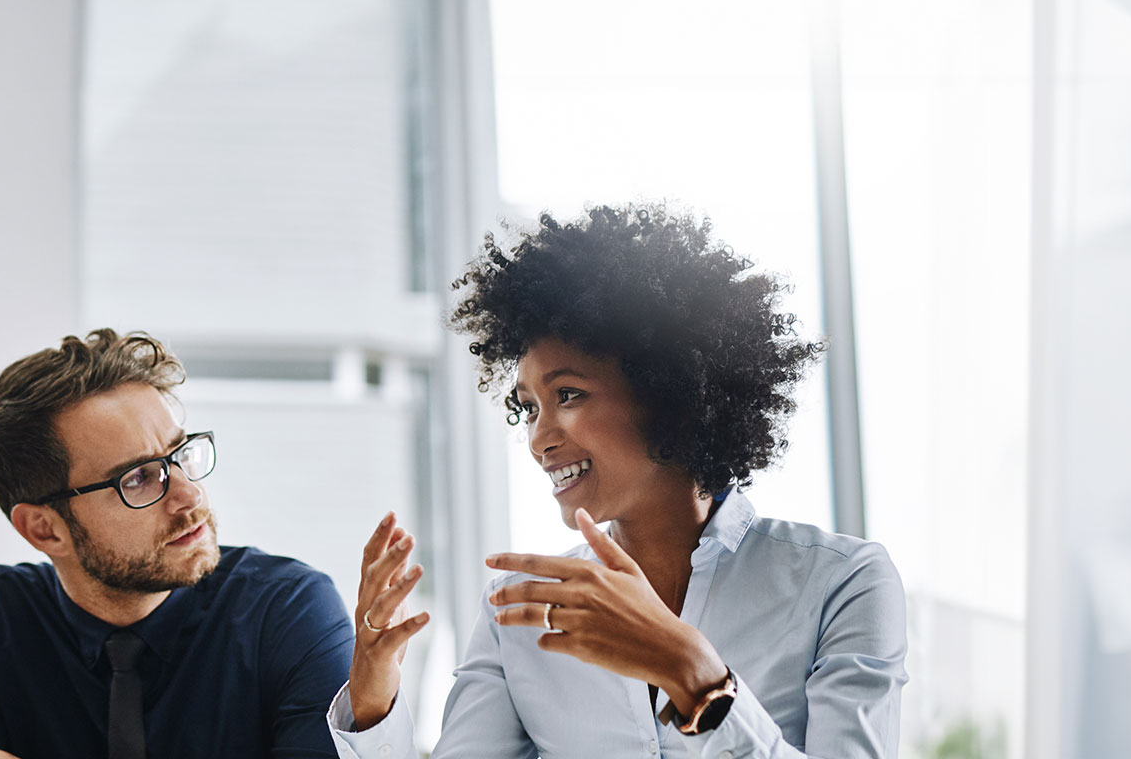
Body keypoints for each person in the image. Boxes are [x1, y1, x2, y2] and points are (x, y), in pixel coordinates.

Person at [333, 204, 907, 757]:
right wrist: (373, 701)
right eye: (529, 407)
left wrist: (694, 674)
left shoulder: (841, 584)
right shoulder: (519, 612)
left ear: (668, 394)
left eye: (569, 395)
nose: (538, 439)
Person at [0, 329, 354, 759]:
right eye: (137, 478)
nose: (189, 495)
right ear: (44, 529)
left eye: (179, 454)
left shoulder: (289, 609)